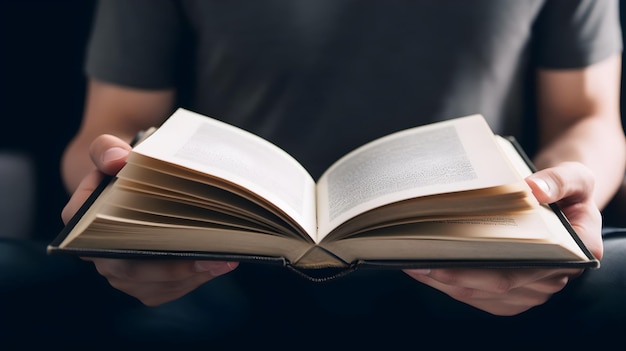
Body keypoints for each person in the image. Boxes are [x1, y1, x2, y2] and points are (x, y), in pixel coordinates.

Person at [48, 0, 626, 348]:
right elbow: (113, 128)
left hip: (478, 260)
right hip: (220, 265)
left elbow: (587, 115)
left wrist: (563, 213)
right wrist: (108, 209)